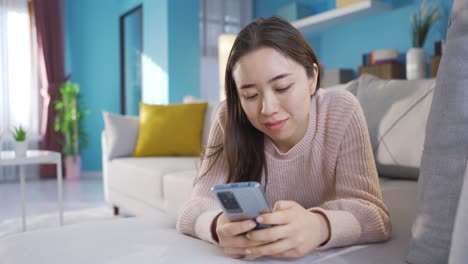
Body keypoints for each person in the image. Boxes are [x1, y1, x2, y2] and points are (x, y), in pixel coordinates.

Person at [176, 16, 390, 260]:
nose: (268, 108)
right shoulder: (230, 117)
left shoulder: (341, 110)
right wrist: (218, 225)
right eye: (250, 94)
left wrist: (319, 226)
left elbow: (374, 216)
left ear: (312, 77)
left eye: (282, 88)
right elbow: (192, 209)